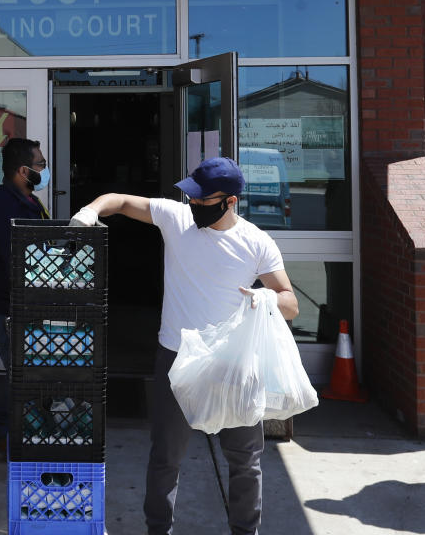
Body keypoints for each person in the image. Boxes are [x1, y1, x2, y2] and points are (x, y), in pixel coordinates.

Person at [70, 156, 299, 535]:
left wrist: (266, 299)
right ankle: (158, 530)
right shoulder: (177, 219)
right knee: (165, 458)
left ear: (230, 202)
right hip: (176, 359)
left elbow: (290, 301)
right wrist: (90, 210)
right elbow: (121, 201)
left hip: (233, 364)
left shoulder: (256, 242)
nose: (193, 205)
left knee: (245, 461)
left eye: (202, 200)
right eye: (191, 198)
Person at [0, 137, 50, 453]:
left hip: (19, 307)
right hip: (6, 311)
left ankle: (13, 433)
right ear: (22, 170)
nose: (45, 171)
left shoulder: (27, 200)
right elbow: (18, 259)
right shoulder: (5, 207)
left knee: (27, 373)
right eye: (41, 165)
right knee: (24, 376)